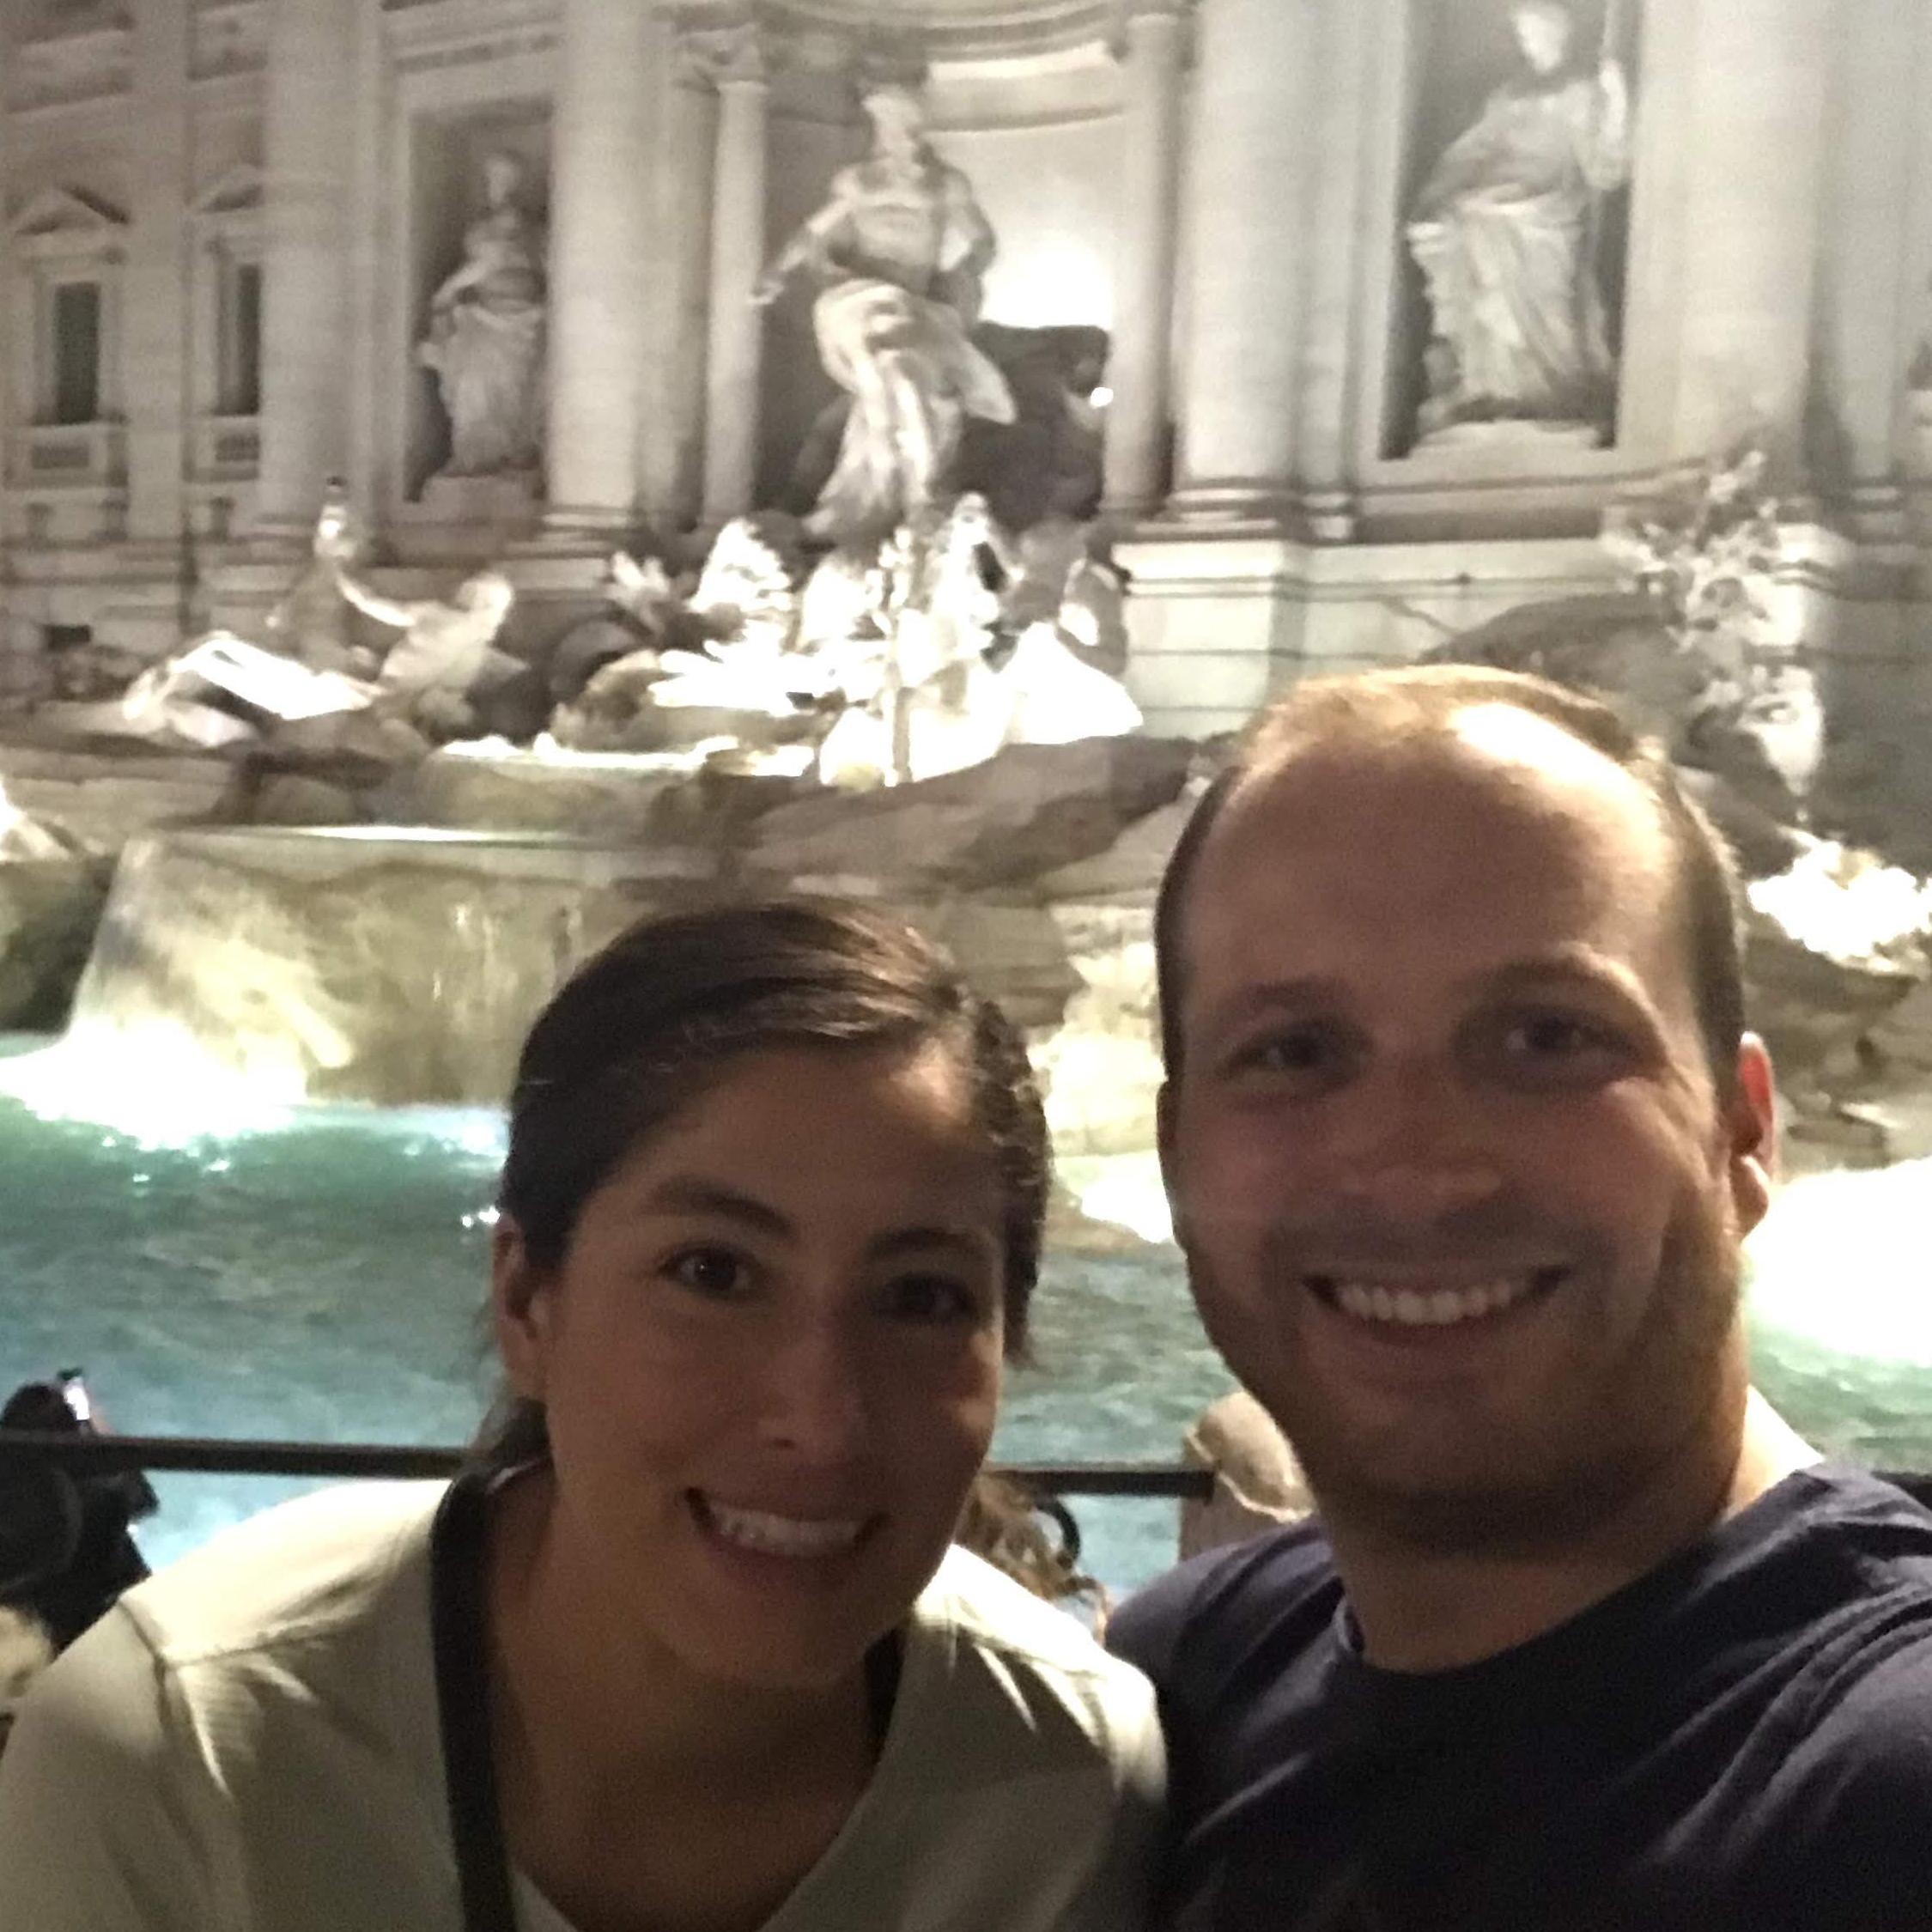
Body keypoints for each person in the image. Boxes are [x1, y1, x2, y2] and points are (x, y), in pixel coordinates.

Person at [0, 900, 1163, 1932]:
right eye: (713, 1273)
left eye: (920, 1298)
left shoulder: (1072, 1779)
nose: (820, 1419)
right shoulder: (183, 1751)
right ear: (526, 1301)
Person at [1109, 665, 1932, 1929]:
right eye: (1293, 1052)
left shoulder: (1886, 1778)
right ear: (1178, 1158)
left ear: (1743, 1132)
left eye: (1546, 1037)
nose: (1414, 1168)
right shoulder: (1182, 1686)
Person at [753, 84, 1016, 542]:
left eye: (907, 128)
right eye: (892, 128)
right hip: (861, 298)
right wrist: (776, 272)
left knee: (901, 378)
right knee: (893, 367)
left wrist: (960, 278)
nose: (900, 138)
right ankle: (918, 491)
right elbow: (811, 233)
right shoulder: (858, 182)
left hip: (917, 305)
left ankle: (876, 494)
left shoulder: (945, 184)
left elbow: (983, 242)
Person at [1406, 1, 1631, 445]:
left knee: (1524, 263)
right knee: (1468, 220)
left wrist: (1617, 98)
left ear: (1559, 34)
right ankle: (1488, 386)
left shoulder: (1582, 91)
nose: (1528, 42)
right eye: (1522, 34)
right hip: (1501, 194)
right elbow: (1473, 149)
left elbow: (1606, 164)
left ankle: (1552, 393)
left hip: (1551, 204)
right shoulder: (1507, 97)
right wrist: (1437, 196)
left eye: (1535, 32)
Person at [417, 150, 548, 478]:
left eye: (505, 177)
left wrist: (448, 290)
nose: (498, 185)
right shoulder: (482, 225)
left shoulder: (526, 227)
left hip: (520, 319)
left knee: (511, 389)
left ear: (517, 182)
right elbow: (480, 267)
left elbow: (495, 263)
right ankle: (474, 454)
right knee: (471, 383)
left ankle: (509, 453)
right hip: (481, 317)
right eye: (493, 178)